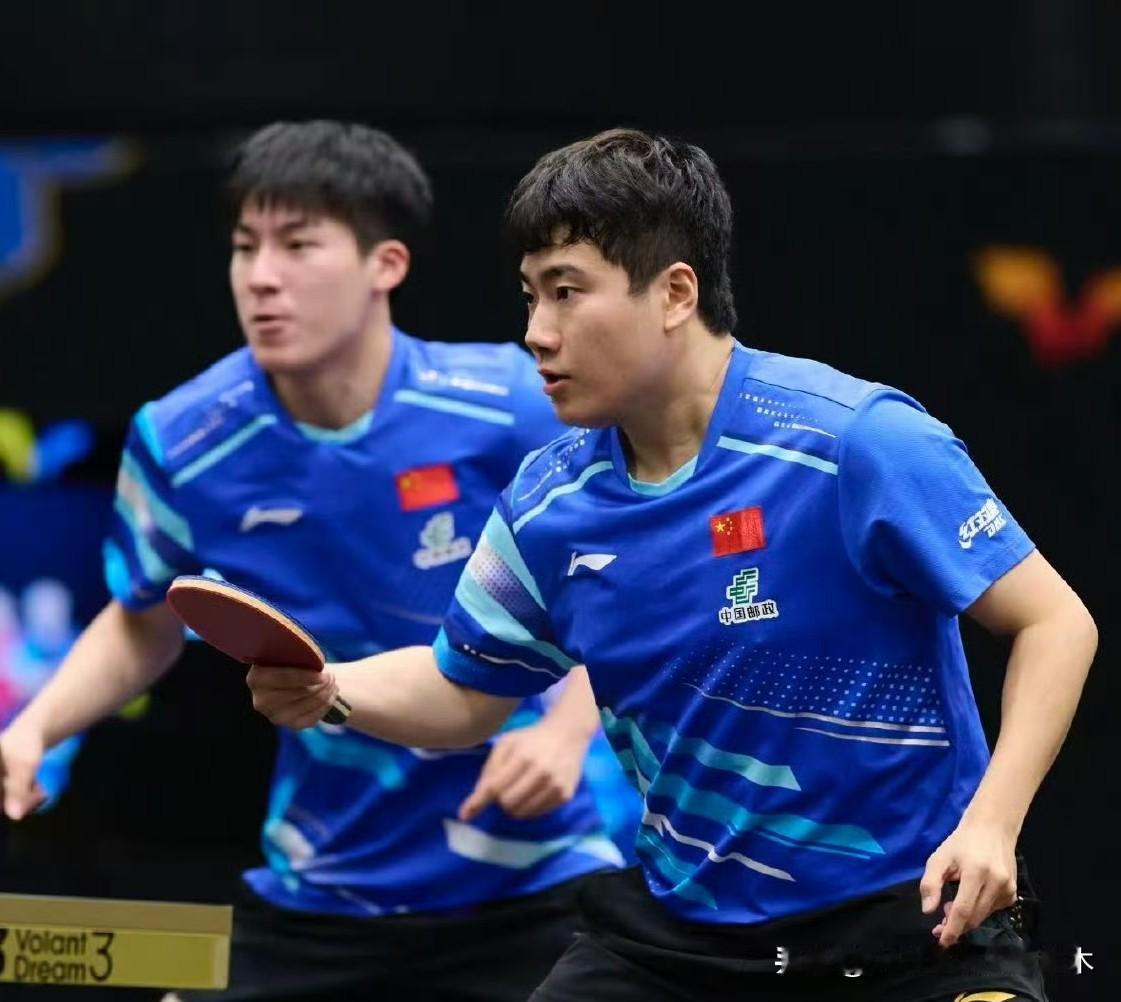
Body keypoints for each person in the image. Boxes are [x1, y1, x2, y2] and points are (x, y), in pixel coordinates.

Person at [247, 128, 1097, 1002]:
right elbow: (463, 691)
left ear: (674, 294)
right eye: (529, 296)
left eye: (566, 292)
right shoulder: (546, 505)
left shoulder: (855, 442)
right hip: (681, 947)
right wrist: (331, 688)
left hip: (914, 924)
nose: (536, 332)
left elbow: (1054, 621)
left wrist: (992, 825)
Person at [0, 121, 629, 1002]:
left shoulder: (514, 408)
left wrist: (564, 733)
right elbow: (144, 618)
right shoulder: (183, 440)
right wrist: (33, 732)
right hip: (323, 888)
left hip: (538, 875)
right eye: (245, 247)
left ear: (385, 265)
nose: (262, 276)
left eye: (298, 246)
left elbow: (629, 579)